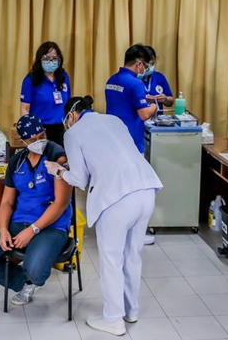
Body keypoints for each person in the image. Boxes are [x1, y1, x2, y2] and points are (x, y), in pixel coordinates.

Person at [45, 96, 163, 336]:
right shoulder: (114, 120)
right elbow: (111, 156)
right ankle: (131, 311)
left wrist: (58, 171)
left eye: (67, 120)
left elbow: (79, 179)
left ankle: (113, 319)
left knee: (111, 260)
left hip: (117, 199)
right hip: (145, 189)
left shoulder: (73, 133)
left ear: (71, 115)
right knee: (132, 255)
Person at [0, 114, 72, 306]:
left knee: (36, 270)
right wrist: (3, 230)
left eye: (41, 136)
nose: (39, 142)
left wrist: (33, 230)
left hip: (52, 226)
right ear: (23, 141)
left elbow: (61, 203)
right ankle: (24, 283)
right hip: (19, 222)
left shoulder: (58, 157)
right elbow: (7, 202)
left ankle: (34, 275)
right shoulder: (17, 162)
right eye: (32, 140)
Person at [105, 44, 158, 153]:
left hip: (112, 137)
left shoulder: (111, 80)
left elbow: (121, 102)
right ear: (139, 64)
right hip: (131, 140)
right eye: (146, 66)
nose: (145, 70)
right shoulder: (136, 84)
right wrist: (154, 106)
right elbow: (144, 115)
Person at [20, 41, 71, 146]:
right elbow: (24, 108)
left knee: (60, 155)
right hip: (39, 130)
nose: (51, 61)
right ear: (40, 59)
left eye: (54, 58)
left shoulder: (63, 76)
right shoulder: (31, 79)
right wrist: (30, 131)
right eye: (47, 58)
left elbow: (69, 103)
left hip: (60, 128)